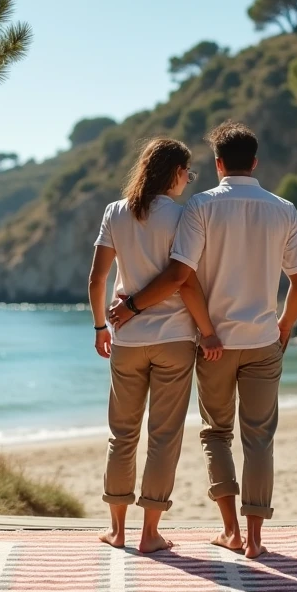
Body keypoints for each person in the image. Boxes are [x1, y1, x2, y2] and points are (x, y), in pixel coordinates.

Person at [108, 121, 297, 559]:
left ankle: (231, 532)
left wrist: (204, 330)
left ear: (218, 163)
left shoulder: (199, 207)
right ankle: (256, 540)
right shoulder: (284, 209)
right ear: (254, 163)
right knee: (259, 438)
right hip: (262, 340)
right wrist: (284, 326)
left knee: (216, 433)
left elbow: (183, 276)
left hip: (214, 342)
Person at [88, 138, 224, 554]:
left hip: (127, 339)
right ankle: (150, 533)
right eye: (188, 172)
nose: (189, 180)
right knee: (164, 437)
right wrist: (207, 330)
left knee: (121, 435)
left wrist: (100, 327)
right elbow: (184, 280)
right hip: (174, 340)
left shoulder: (116, 211)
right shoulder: (184, 216)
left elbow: (97, 279)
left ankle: (117, 530)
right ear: (176, 172)